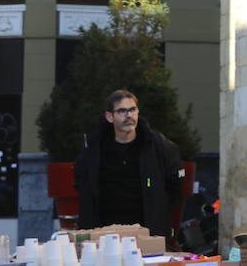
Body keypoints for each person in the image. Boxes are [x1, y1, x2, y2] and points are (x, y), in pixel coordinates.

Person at [74, 89, 184, 242]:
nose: (129, 116)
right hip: (104, 229)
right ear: (109, 116)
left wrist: (157, 204)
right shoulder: (94, 147)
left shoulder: (157, 145)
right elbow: (81, 180)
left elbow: (176, 183)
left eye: (133, 110)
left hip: (146, 229)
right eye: (122, 111)